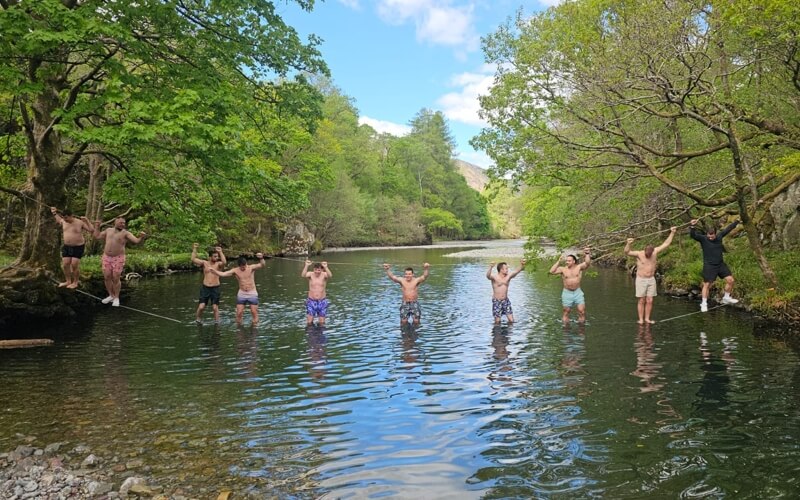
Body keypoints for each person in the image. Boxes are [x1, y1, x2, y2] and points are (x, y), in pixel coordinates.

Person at [624, 227, 677, 324]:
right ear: (644, 250)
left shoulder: (655, 252)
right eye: (647, 253)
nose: (648, 255)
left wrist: (672, 233)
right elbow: (627, 252)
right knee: (641, 300)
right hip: (641, 279)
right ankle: (640, 319)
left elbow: (666, 244)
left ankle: (647, 319)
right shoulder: (639, 254)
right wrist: (628, 243)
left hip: (651, 280)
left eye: (650, 253)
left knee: (650, 300)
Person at [92, 217, 147, 307]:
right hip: (106, 257)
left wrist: (141, 237)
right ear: (115, 222)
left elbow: (136, 241)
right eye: (121, 223)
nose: (123, 224)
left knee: (116, 277)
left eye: (124, 223)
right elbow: (97, 236)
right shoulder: (108, 230)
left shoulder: (126, 233)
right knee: (107, 277)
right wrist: (97, 226)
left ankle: (116, 298)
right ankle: (111, 295)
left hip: (118, 258)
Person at [690, 218, 740, 312]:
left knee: (731, 280)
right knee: (707, 285)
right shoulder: (703, 239)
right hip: (709, 266)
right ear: (707, 234)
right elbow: (693, 235)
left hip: (720, 264)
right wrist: (692, 226)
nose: (710, 238)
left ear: (715, 234)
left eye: (712, 236)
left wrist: (736, 221)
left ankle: (726, 297)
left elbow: (728, 229)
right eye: (709, 236)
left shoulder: (719, 236)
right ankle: (704, 303)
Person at [210, 253, 266, 325]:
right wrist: (214, 271)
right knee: (239, 313)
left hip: (252, 292)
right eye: (242, 267)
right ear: (239, 266)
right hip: (242, 293)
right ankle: (239, 329)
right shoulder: (235, 271)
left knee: (254, 312)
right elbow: (223, 274)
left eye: (245, 266)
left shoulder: (251, 268)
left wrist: (261, 258)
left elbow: (262, 265)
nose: (244, 268)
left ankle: (254, 329)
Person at [51, 207, 94, 289]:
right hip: (67, 246)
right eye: (64, 217)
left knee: (74, 265)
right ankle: (68, 281)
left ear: (72, 216)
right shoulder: (63, 221)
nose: (65, 219)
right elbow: (58, 220)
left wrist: (86, 220)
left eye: (66, 217)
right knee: (65, 264)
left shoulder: (80, 222)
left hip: (78, 246)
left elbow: (91, 230)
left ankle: (75, 282)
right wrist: (54, 213)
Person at [549, 248, 592, 324]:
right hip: (567, 293)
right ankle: (566, 329)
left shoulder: (579, 267)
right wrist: (559, 262)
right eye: (566, 261)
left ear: (574, 261)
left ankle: (581, 330)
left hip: (577, 292)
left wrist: (587, 254)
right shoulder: (562, 269)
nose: (567, 262)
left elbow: (587, 263)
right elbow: (551, 271)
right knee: (566, 312)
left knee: (581, 311)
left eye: (569, 261)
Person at [191, 243, 226, 324]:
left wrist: (220, 252)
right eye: (215, 256)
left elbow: (224, 262)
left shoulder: (218, 264)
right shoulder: (204, 263)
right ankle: (198, 320)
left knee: (214, 307)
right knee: (201, 306)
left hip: (215, 288)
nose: (217, 258)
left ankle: (217, 322)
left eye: (217, 256)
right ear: (210, 257)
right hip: (205, 288)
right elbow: (193, 259)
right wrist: (195, 248)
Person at [301, 260, 332, 326]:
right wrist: (306, 265)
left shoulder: (324, 275)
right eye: (315, 270)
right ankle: (311, 334)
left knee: (322, 322)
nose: (317, 272)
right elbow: (303, 275)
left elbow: (330, 275)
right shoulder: (310, 274)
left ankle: (320, 334)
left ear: (321, 270)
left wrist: (326, 267)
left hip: (322, 301)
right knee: (309, 321)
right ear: (313, 269)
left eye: (319, 270)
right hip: (311, 301)